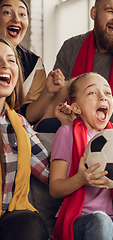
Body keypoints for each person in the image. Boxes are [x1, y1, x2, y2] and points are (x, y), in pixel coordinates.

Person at [36, 0, 113, 132]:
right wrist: (37, 132)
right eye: (110, 11)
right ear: (94, 13)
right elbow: (56, 101)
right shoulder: (71, 48)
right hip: (82, 132)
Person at [49, 72, 113, 240]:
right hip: (82, 220)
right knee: (101, 221)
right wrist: (80, 179)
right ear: (76, 107)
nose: (103, 97)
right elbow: (55, 189)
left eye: (107, 92)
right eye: (92, 92)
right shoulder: (66, 133)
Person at [0, 37, 49, 240]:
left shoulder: (19, 123)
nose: (5, 66)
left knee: (31, 225)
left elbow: (49, 172)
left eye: (11, 60)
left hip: (9, 218)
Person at [0, 0, 65, 126]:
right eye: (7, 12)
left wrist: (48, 91)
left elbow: (27, 115)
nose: (16, 19)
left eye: (22, 14)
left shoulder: (34, 64)